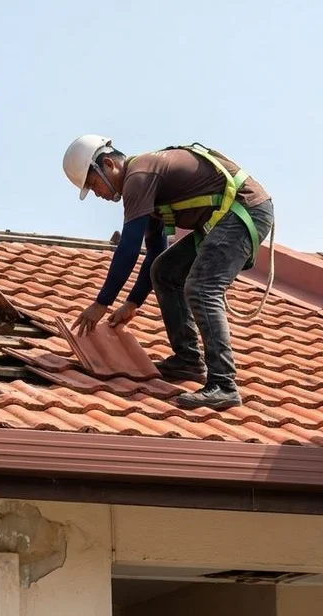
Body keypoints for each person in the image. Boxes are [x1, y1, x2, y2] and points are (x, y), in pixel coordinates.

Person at [61, 135, 274, 410]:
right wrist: (131, 304)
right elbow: (154, 254)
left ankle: (223, 383)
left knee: (201, 287)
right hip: (227, 217)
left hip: (246, 210)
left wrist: (101, 303)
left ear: (109, 164)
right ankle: (188, 360)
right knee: (166, 270)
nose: (98, 194)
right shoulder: (145, 186)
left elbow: (128, 248)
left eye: (93, 183)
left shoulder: (138, 177)